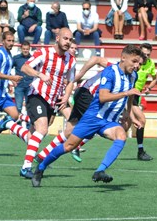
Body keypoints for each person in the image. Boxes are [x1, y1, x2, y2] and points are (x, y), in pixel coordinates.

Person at [31, 44, 143, 187]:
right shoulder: (110, 72)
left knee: (121, 136)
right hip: (93, 117)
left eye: (139, 63)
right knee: (69, 146)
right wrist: (126, 93)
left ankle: (100, 171)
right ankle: (40, 168)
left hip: (109, 121)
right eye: (134, 61)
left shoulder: (134, 75)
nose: (137, 66)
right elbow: (103, 97)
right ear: (123, 57)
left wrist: (130, 114)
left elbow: (131, 96)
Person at [14, 28, 75, 178]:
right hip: (37, 95)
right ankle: (26, 167)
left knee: (35, 135)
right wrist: (39, 74)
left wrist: (66, 96)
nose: (68, 42)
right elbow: (24, 67)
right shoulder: (44, 53)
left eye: (70, 40)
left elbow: (71, 80)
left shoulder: (70, 60)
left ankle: (10, 125)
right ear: (57, 38)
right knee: (42, 129)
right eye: (65, 39)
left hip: (54, 100)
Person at [132, 43, 157, 161]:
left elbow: (155, 79)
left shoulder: (150, 63)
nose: (146, 56)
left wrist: (149, 88)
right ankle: (140, 152)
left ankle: (80, 143)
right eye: (144, 54)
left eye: (148, 54)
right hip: (128, 94)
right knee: (141, 120)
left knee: (123, 126)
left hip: (136, 95)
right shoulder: (134, 61)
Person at [11, 41, 34, 113]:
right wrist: (12, 79)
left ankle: (30, 124)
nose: (25, 50)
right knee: (18, 107)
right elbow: (7, 69)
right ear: (21, 49)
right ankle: (17, 123)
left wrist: (34, 82)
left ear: (29, 49)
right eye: (24, 49)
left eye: (27, 49)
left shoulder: (33, 58)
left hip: (30, 86)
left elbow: (38, 71)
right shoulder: (16, 58)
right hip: (19, 85)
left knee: (30, 107)